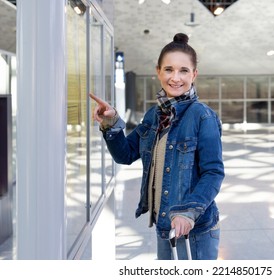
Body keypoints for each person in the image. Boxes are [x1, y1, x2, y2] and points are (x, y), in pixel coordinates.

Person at [89, 33, 224, 260]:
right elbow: (126, 154)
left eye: (184, 70)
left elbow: (213, 173)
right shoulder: (155, 115)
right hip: (166, 225)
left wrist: (187, 213)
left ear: (194, 75)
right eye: (169, 69)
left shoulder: (203, 116)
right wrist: (110, 123)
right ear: (158, 72)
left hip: (194, 230)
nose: (176, 77)